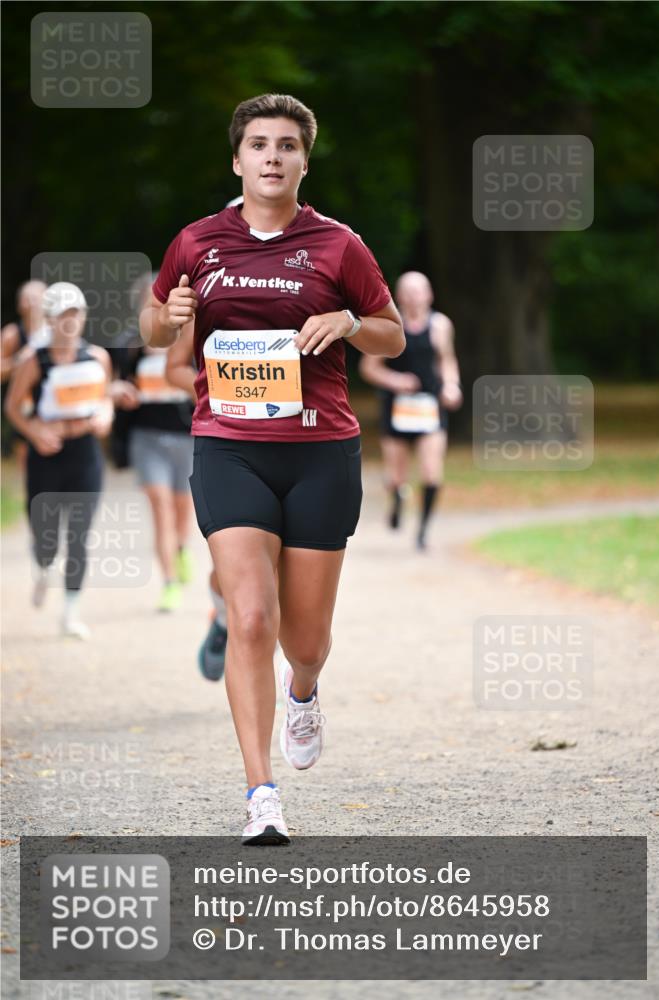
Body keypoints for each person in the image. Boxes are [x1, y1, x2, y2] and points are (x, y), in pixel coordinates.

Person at [140, 93, 404, 844]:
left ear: (303, 163)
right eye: (259, 144)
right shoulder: (197, 241)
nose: (272, 157)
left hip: (320, 451)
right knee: (251, 616)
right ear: (237, 160)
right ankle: (261, 793)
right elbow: (153, 325)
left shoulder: (338, 245)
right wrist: (169, 316)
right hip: (228, 446)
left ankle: (305, 690)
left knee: (305, 641)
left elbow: (390, 335)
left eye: (287, 145)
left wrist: (350, 322)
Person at [4, 282, 113, 638]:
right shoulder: (34, 361)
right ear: (49, 319)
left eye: (75, 314)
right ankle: (42, 566)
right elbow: (12, 407)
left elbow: (105, 397)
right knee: (46, 537)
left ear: (83, 317)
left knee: (79, 535)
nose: (69, 322)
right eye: (62, 315)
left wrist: (106, 414)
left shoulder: (97, 357)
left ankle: (70, 613)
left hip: (85, 454)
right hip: (47, 456)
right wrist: (34, 432)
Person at [359, 271, 462, 549]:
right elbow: (369, 368)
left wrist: (452, 385)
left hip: (429, 407)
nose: (414, 297)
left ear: (429, 295)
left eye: (419, 291)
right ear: (398, 296)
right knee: (396, 476)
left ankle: (423, 531)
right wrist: (396, 381)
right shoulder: (389, 326)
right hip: (397, 409)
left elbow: (447, 360)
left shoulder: (440, 325)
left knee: (432, 472)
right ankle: (396, 498)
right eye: (408, 292)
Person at [111, 274, 196, 613]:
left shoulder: (189, 338)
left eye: (161, 298)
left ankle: (181, 548)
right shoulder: (129, 345)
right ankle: (169, 583)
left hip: (185, 436)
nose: (156, 304)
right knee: (160, 506)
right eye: (150, 300)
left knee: (182, 506)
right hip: (146, 436)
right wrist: (122, 393)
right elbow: (114, 383)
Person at [164, 322, 228, 678]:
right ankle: (224, 619)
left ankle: (276, 677)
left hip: (302, 445)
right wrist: (223, 390)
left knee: (287, 576)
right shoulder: (209, 295)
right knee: (237, 567)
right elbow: (174, 367)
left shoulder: (315, 291)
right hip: (229, 445)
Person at [1, 280, 48, 460]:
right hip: (23, 407)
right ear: (19, 305)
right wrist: (21, 361)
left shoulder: (59, 333)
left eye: (36, 298)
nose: (32, 304)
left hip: (52, 405)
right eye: (27, 299)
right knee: (26, 459)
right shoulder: (12, 334)